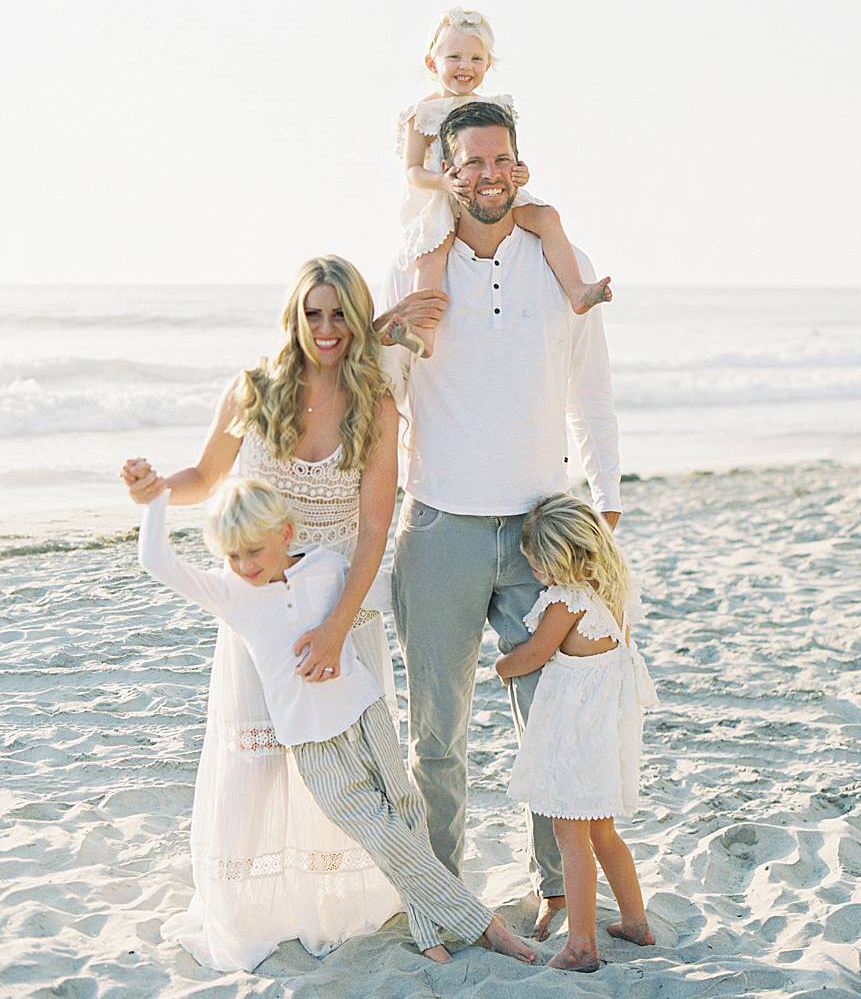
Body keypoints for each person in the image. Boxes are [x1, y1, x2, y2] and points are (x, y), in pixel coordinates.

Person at [117, 255, 403, 971]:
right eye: (314, 312)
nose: (327, 328)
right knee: (256, 760)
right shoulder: (253, 389)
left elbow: (375, 528)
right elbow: (204, 480)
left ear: (358, 319)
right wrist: (155, 489)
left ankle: (329, 906)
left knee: (339, 761)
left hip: (339, 601)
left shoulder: (378, 402)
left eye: (340, 313)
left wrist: (337, 625)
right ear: (294, 315)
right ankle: (248, 910)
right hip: (255, 605)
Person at [381, 97, 623, 941]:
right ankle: (442, 890)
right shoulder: (416, 262)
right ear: (445, 173)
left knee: (552, 721)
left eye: (500, 160)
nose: (487, 175)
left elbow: (589, 382)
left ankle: (559, 888)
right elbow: (387, 394)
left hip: (540, 529)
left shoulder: (562, 262)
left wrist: (608, 489)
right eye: (469, 162)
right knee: (436, 733)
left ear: (520, 166)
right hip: (440, 525)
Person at [131, 480, 542, 966]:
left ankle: (427, 926)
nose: (244, 566)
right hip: (311, 742)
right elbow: (156, 561)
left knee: (406, 815)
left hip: (365, 711)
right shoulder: (232, 595)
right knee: (379, 833)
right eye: (233, 556)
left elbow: (390, 596)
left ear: (285, 532)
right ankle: (485, 925)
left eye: (253, 551)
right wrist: (155, 498)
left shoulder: (327, 567)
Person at [389, 7, 610, 356]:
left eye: (476, 58)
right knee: (430, 257)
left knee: (547, 216)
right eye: (455, 57)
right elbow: (412, 170)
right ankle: (423, 333)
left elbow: (506, 159)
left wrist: (521, 174)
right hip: (444, 197)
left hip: (491, 194)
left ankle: (577, 290)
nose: (466, 66)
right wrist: (443, 182)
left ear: (488, 65)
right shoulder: (423, 112)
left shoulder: (494, 108)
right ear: (433, 64)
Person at [498, 495, 658, 972]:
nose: (536, 573)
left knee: (569, 833)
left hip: (578, 731)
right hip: (607, 729)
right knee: (604, 832)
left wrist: (503, 666)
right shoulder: (615, 591)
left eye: (538, 564)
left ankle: (582, 945)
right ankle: (635, 923)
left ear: (562, 561)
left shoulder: (568, 601)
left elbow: (534, 653)